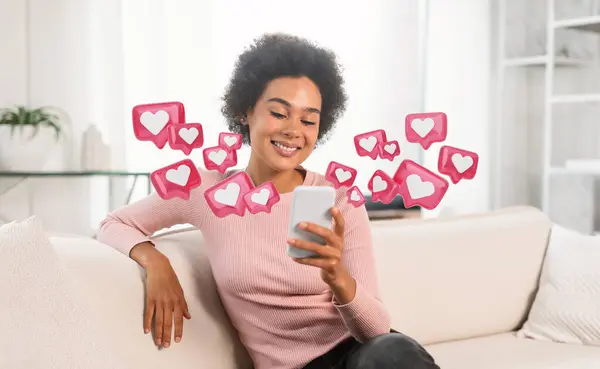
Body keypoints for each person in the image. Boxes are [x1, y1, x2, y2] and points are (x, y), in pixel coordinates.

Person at [97, 33, 439, 369]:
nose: (294, 130)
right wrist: (155, 263)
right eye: (279, 113)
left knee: (391, 352)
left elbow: (377, 331)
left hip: (364, 357)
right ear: (246, 112)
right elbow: (114, 224)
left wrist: (337, 276)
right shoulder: (206, 189)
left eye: (308, 120)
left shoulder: (340, 197)